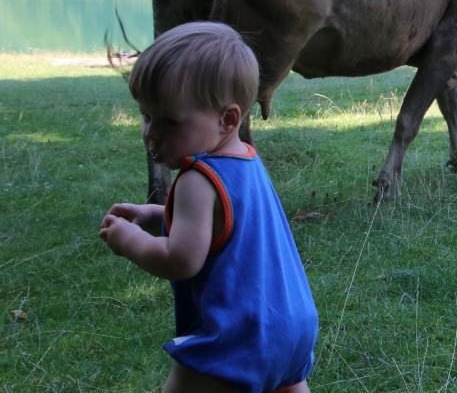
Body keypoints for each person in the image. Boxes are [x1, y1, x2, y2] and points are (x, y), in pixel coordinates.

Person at [100, 21, 318, 393]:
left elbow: (181, 259)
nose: (151, 132)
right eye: (146, 116)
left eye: (169, 121)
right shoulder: (245, 161)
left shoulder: (196, 178)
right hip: (290, 326)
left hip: (238, 335)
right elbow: (223, 225)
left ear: (228, 119)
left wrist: (128, 241)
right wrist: (155, 215)